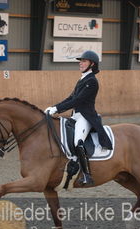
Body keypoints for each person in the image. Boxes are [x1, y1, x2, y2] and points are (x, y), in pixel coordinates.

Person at [45, 50, 112, 186]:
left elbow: (78, 100)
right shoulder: (82, 79)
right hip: (75, 116)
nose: (80, 63)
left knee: (78, 141)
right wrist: (54, 107)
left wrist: (57, 110)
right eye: (80, 61)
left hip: (86, 117)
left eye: (84, 61)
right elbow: (71, 98)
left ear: (92, 64)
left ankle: (87, 175)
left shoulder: (92, 81)